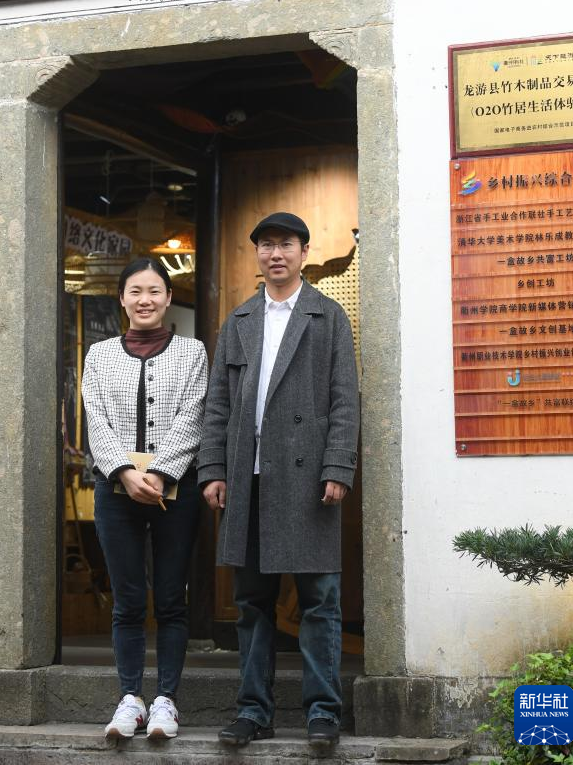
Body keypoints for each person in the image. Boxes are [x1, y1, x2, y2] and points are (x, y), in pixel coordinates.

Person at [198, 212, 360, 751]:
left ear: (304, 252)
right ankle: (253, 711)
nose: (275, 254)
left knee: (319, 600)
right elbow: (218, 405)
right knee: (251, 603)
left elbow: (345, 400)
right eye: (266, 245)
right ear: (258, 255)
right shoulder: (240, 320)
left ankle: (323, 712)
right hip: (249, 479)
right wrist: (213, 469)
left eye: (286, 244)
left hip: (309, 478)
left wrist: (338, 467)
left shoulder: (327, 316)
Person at [82, 256, 208, 743]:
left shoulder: (192, 352)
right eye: (135, 291)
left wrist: (158, 472)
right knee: (128, 600)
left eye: (154, 291)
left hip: (177, 490)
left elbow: (194, 413)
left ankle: (166, 700)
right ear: (122, 298)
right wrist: (124, 471)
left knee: (172, 599)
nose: (145, 300)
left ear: (168, 298)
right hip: (115, 491)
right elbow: (95, 418)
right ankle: (130, 697)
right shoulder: (99, 355)